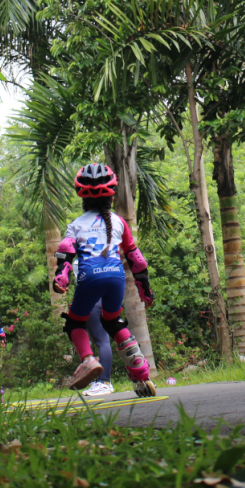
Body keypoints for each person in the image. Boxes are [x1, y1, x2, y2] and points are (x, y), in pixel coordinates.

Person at [53, 163, 156, 397]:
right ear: (111, 195)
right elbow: (136, 259)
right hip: (116, 277)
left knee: (74, 323)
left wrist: (61, 278)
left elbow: (65, 253)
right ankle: (141, 373)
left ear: (82, 196)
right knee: (113, 321)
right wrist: (145, 290)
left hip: (90, 276)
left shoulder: (76, 225)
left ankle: (88, 360)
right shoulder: (119, 222)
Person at [78, 301, 114, 396]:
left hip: (93, 301)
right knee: (104, 340)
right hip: (107, 301)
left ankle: (104, 382)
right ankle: (103, 381)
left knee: (102, 341)